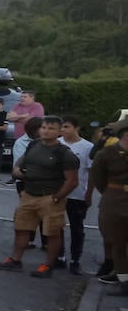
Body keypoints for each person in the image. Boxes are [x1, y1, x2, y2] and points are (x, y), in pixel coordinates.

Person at [0, 116, 80, 277]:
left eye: (51, 128)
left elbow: (72, 181)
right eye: (44, 127)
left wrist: (56, 198)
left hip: (50, 197)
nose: (46, 131)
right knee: (21, 228)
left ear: (59, 131)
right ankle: (15, 260)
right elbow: (20, 163)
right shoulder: (34, 145)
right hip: (28, 194)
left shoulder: (64, 153)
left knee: (52, 233)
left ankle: (48, 266)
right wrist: (17, 170)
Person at [91, 121, 128, 296]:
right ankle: (124, 281)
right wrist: (111, 194)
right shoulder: (106, 154)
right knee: (117, 241)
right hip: (114, 201)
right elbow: (98, 179)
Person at [59, 116, 95, 275]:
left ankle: (75, 259)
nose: (63, 130)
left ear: (76, 128)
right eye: (62, 127)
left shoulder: (87, 147)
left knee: (77, 228)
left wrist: (89, 193)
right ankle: (59, 256)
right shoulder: (57, 143)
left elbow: (92, 172)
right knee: (56, 226)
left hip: (77, 193)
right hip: (58, 193)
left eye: (66, 126)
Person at [6, 90, 45, 184]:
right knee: (17, 157)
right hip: (18, 137)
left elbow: (33, 120)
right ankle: (15, 175)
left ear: (32, 98)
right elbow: (8, 117)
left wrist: (17, 117)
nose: (22, 98)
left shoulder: (37, 106)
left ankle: (30, 175)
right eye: (21, 96)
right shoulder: (17, 106)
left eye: (25, 97)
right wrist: (24, 116)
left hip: (33, 137)